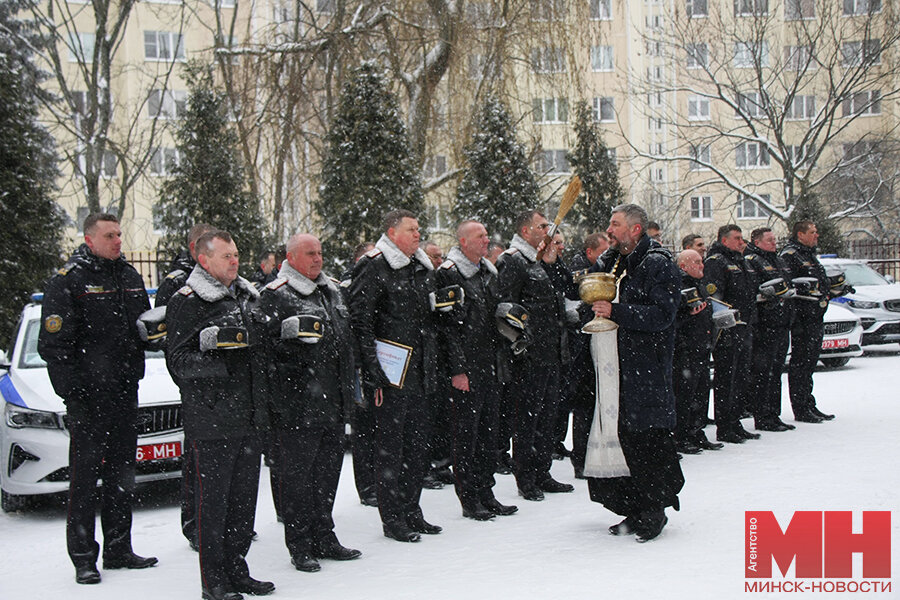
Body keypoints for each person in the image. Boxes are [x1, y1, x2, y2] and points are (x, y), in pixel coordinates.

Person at [38, 213, 158, 585]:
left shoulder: (129, 276)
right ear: (89, 239)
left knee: (122, 474)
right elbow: (55, 347)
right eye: (110, 235)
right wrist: (74, 393)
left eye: (120, 234)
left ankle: (119, 549)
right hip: (88, 398)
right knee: (85, 480)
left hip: (124, 391)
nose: (118, 240)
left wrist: (155, 335)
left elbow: (142, 327)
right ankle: (84, 557)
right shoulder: (69, 281)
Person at [166, 230, 273, 600]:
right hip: (212, 420)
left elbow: (259, 350)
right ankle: (214, 583)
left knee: (244, 503)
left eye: (236, 255)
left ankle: (237, 570)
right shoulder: (187, 301)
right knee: (214, 506)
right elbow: (177, 362)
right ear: (203, 260)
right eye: (226, 256)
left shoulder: (246, 294)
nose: (234, 261)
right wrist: (216, 353)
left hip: (250, 414)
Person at [254, 233, 361, 572]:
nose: (318, 259)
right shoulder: (276, 295)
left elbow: (346, 343)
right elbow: (263, 355)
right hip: (296, 405)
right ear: (291, 257)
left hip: (332, 400)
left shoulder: (332, 291)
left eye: (320, 253)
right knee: (297, 480)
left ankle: (324, 535)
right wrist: (288, 343)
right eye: (310, 253)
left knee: (327, 476)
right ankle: (300, 544)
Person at [586, 203, 685, 543]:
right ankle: (633, 507)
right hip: (616, 367)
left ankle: (654, 511)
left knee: (649, 440)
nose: (609, 231)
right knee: (625, 440)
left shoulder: (658, 264)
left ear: (635, 229)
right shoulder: (614, 261)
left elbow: (662, 315)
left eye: (615, 225)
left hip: (647, 369)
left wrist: (617, 311)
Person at [348, 210, 441, 543]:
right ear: (391, 232)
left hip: (420, 370)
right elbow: (360, 322)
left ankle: (412, 508)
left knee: (419, 446)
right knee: (391, 449)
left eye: (419, 228)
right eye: (411, 229)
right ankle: (393, 518)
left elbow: (427, 317)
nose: (418, 234)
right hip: (390, 373)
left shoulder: (421, 266)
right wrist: (373, 371)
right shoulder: (373, 265)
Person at [436, 220, 519, 520]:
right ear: (463, 241)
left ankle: (487, 491)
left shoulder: (489, 271)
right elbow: (447, 328)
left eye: (486, 235)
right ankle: (469, 498)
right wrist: (458, 370)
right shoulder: (448, 273)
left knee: (488, 434)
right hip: (467, 369)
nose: (486, 240)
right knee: (466, 437)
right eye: (479, 236)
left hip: (491, 365)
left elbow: (492, 317)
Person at [496, 210, 573, 501]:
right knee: (526, 420)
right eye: (542, 226)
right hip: (528, 356)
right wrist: (520, 345)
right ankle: (525, 477)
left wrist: (553, 262)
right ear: (526, 231)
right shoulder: (513, 260)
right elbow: (504, 308)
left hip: (552, 352)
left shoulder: (541, 262)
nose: (548, 230)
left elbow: (565, 289)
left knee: (547, 417)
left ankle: (543, 471)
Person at [154, 222, 216, 551]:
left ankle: (220, 524)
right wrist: (189, 381)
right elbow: (172, 343)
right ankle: (193, 522)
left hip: (223, 393)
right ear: (193, 248)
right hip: (196, 387)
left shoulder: (222, 282)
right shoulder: (177, 285)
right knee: (195, 462)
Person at [704, 224, 761, 444]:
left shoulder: (741, 261)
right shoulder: (717, 262)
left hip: (744, 326)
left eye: (742, 238)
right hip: (728, 328)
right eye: (737, 238)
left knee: (740, 377)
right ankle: (725, 426)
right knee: (726, 379)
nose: (742, 242)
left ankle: (735, 422)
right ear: (724, 240)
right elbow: (714, 296)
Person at [562, 232, 611, 476]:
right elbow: (574, 302)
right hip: (582, 346)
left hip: (600, 343)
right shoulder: (580, 272)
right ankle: (580, 457)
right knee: (584, 403)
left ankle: (594, 452)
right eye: (602, 252)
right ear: (590, 253)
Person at [781, 221, 835, 423]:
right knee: (800, 363)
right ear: (800, 234)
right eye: (812, 232)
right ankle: (801, 407)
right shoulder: (791, 255)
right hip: (802, 318)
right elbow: (791, 285)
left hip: (815, 316)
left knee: (810, 362)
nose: (817, 235)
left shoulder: (809, 254)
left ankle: (809, 403)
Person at [744, 228, 796, 432]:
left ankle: (773, 413)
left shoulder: (778, 260)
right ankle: (762, 414)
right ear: (757, 242)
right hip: (765, 325)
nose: (774, 243)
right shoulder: (753, 260)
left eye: (774, 239)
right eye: (769, 240)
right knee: (762, 373)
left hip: (782, 323)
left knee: (776, 372)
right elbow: (754, 290)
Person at [340, 242, 379, 507]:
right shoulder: (345, 287)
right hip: (358, 364)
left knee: (379, 427)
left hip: (379, 361)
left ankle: (379, 480)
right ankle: (367, 486)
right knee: (364, 428)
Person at [673, 250, 722, 453]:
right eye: (696, 262)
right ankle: (681, 437)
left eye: (701, 261)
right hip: (686, 349)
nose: (702, 265)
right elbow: (675, 318)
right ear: (683, 266)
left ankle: (697, 432)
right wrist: (687, 313)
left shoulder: (699, 283)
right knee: (685, 395)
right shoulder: (679, 286)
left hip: (702, 345)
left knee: (701, 392)